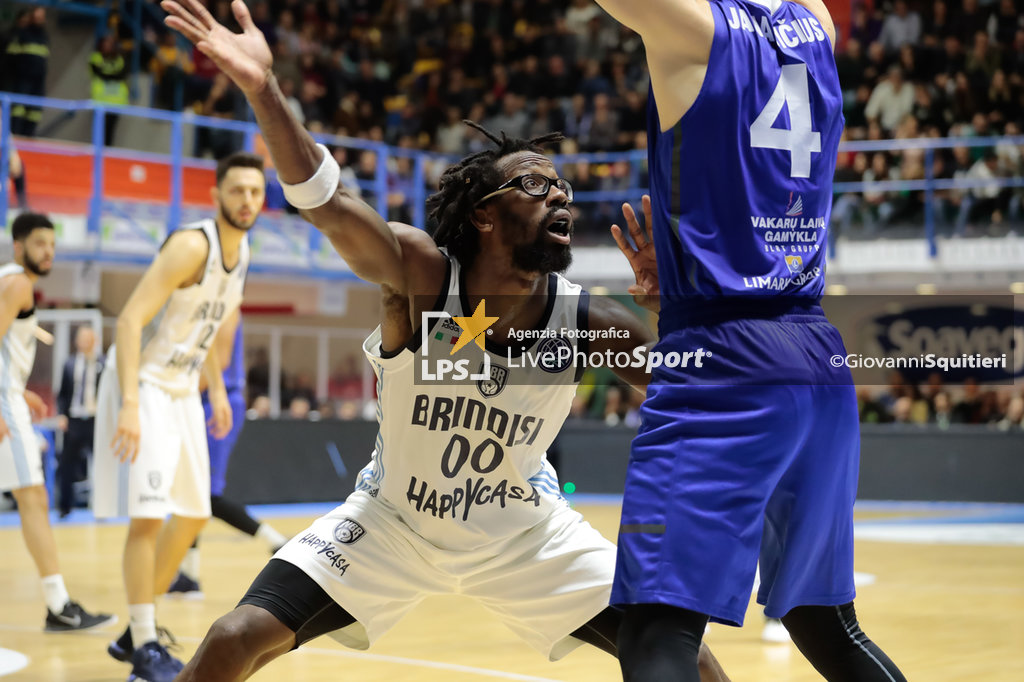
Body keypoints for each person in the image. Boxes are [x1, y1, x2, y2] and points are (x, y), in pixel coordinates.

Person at [159, 2, 729, 681]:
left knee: (689, 661)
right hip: (392, 521)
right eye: (535, 184)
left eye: (563, 188)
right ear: (485, 216)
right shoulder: (422, 276)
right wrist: (264, 89)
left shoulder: (590, 323)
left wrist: (682, 313)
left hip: (526, 534)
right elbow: (330, 207)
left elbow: (702, 397)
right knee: (233, 637)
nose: (561, 199)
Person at [592, 0, 908, 680]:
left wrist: (694, 288)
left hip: (723, 353)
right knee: (826, 624)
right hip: (813, 354)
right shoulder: (817, 22)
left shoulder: (690, 26)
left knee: (656, 630)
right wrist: (679, 278)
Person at [92, 152, 262, 682]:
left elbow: (204, 328)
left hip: (185, 389)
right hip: (142, 384)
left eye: (256, 193)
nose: (247, 201)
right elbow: (129, 320)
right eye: (237, 191)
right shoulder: (193, 245)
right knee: (148, 518)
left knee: (191, 514)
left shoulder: (244, 252)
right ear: (216, 196)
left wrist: (215, 387)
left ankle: (132, 633)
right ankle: (144, 644)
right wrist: (128, 404)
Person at [0, 212, 114, 632]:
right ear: (19, 246)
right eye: (39, 243)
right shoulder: (17, 284)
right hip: (3, 405)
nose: (48, 251)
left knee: (34, 500)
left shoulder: (10, 280)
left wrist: (19, 387)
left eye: (52, 243)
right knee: (34, 499)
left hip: (10, 395)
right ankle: (59, 605)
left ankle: (58, 603)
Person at [167, 322, 289, 598]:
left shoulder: (223, 307)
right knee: (192, 493)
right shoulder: (212, 304)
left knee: (206, 494)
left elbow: (216, 362)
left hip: (214, 402)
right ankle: (188, 577)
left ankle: (276, 541)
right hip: (205, 402)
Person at [55, 325, 103, 517]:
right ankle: (64, 508)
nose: (83, 342)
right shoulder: (69, 364)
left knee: (99, 465)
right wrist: (62, 414)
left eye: (87, 338)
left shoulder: (103, 363)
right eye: (80, 338)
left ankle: (101, 506)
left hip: (95, 420)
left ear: (95, 341)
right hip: (73, 420)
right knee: (66, 465)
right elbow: (62, 394)